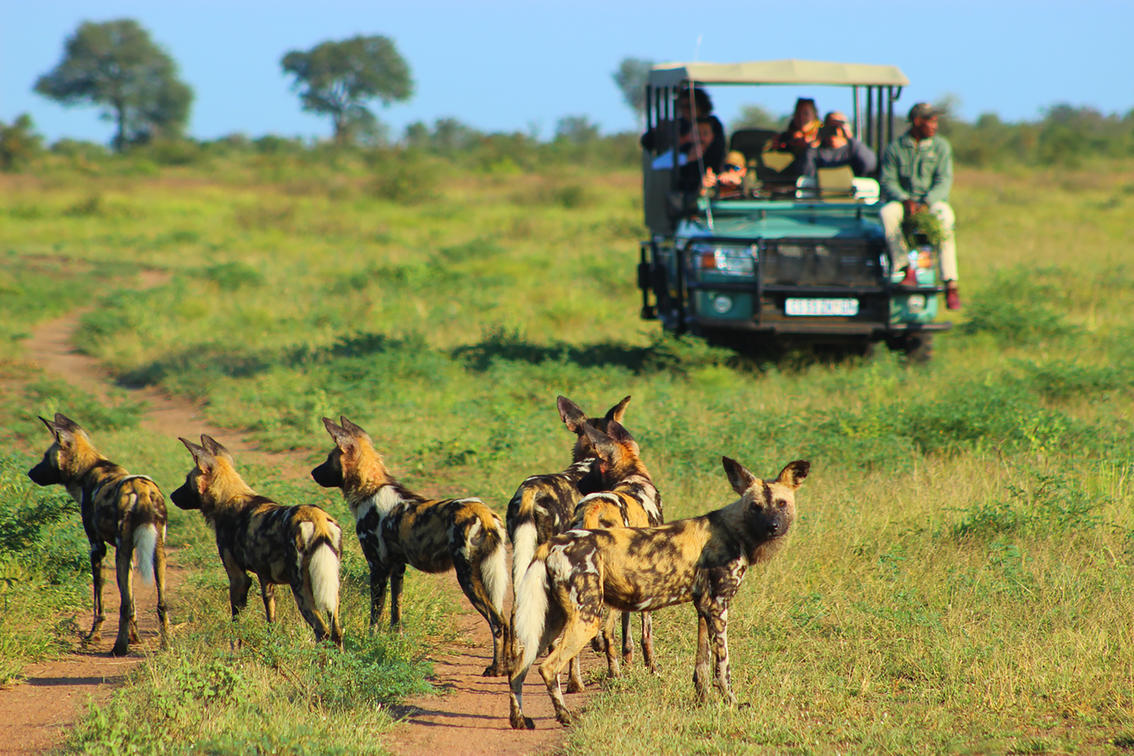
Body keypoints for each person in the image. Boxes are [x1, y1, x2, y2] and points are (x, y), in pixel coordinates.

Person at [879, 103, 961, 309]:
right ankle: (905, 268)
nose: (935, 126)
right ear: (917, 122)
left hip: (932, 202)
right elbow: (888, 180)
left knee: (945, 218)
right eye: (931, 121)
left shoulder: (941, 147)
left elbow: (944, 181)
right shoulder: (896, 148)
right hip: (904, 202)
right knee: (887, 213)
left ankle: (950, 282)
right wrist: (904, 199)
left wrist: (927, 201)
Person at [641, 85, 726, 176]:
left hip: (709, 173)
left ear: (701, 106)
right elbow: (648, 142)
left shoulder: (713, 123)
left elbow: (718, 150)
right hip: (681, 175)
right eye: (682, 107)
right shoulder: (678, 125)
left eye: (689, 106)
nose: (685, 110)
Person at [801, 111, 877, 177]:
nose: (834, 131)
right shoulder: (816, 153)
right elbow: (805, 173)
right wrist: (813, 146)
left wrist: (851, 138)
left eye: (838, 126)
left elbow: (870, 166)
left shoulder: (853, 150)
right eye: (830, 127)